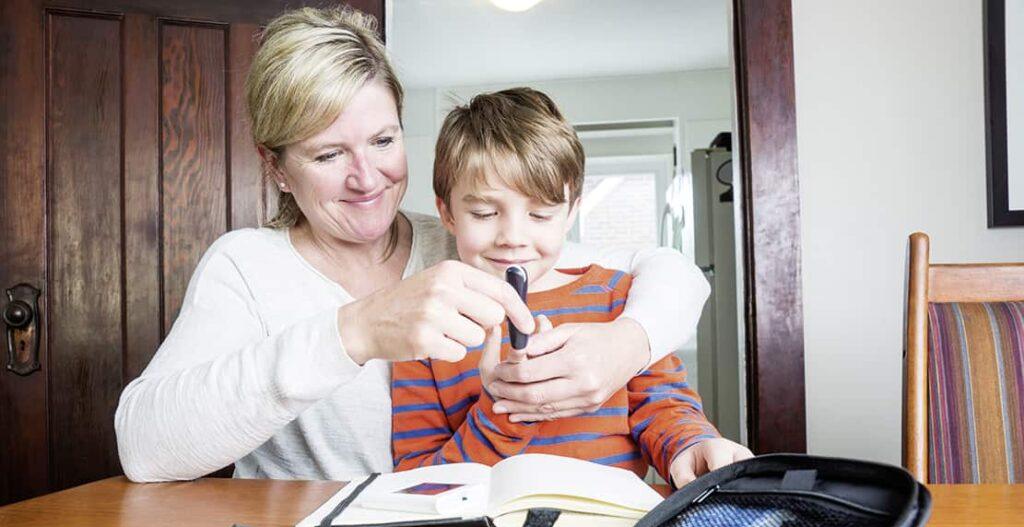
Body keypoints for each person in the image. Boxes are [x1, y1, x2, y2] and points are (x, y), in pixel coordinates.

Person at [115, 6, 711, 483]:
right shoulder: (246, 266)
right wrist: (355, 332)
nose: (367, 178)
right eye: (328, 154)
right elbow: (144, 450)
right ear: (274, 166)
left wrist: (628, 345)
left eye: (382, 140)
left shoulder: (470, 239)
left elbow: (665, 271)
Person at [391, 88, 751, 487]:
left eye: (541, 214)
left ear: (571, 212)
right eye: (484, 212)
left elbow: (664, 406)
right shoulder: (427, 327)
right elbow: (416, 481)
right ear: (447, 213)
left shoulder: (619, 299)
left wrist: (690, 445)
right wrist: (499, 410)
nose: (513, 236)